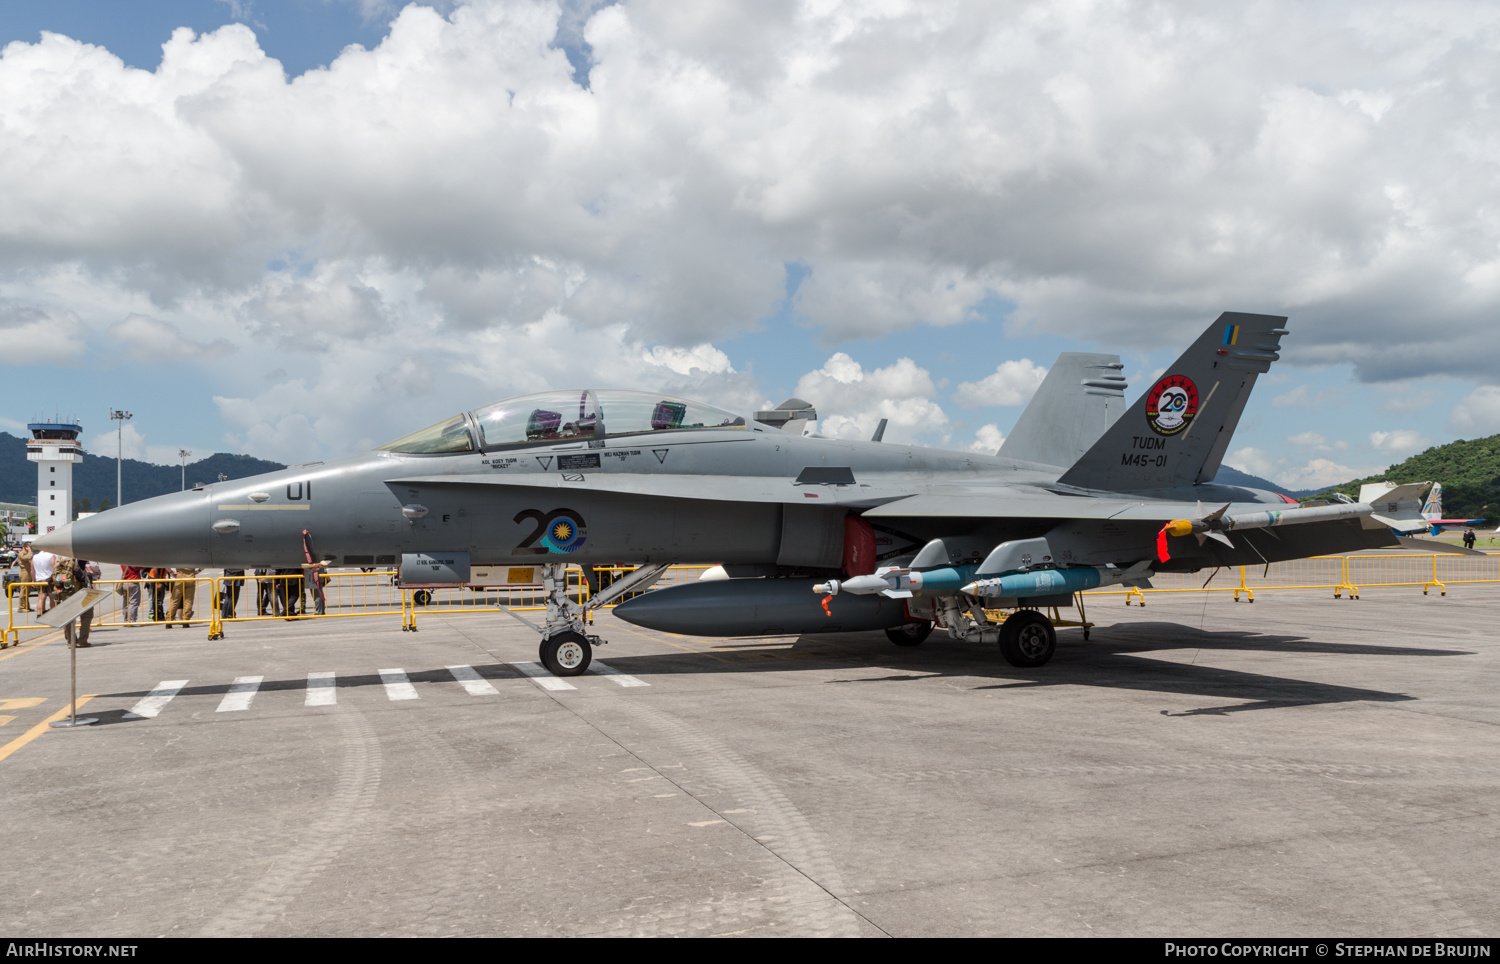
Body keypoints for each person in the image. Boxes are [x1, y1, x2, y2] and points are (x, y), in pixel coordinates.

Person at [52, 556, 94, 647]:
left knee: (68, 617)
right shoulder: (79, 558)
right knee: (87, 615)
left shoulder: (59, 559)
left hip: (66, 592)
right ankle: (82, 641)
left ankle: (71, 641)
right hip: (81, 592)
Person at [31, 548, 57, 615]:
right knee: (52, 597)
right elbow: (53, 567)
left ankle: (39, 613)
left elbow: (32, 569)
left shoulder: (35, 557)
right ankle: (53, 612)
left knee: (41, 597)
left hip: (39, 579)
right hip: (50, 578)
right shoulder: (51, 555)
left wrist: (33, 580)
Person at [15, 544, 33, 612]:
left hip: (29, 572)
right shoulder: (22, 553)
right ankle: (21, 607)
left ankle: (26, 606)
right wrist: (30, 551)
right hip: (24, 572)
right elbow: (28, 558)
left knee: (28, 591)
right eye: (29, 547)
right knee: (23, 590)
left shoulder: (28, 553)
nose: (31, 548)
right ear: (26, 547)